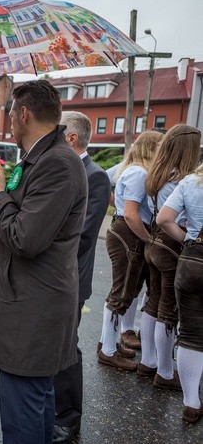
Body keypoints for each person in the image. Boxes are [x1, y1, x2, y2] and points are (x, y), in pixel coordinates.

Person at [0, 80, 87, 443]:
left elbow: (26, 238)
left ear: (22, 114)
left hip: (34, 305)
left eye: (10, 114)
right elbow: (26, 220)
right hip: (29, 300)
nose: (9, 123)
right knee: (37, 403)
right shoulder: (40, 157)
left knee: (24, 411)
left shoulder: (57, 163)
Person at [52, 111, 111, 443]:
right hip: (51, 276)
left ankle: (69, 417)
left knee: (66, 349)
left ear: (71, 137)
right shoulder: (61, 170)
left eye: (56, 131)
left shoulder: (95, 175)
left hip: (70, 277)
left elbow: (84, 235)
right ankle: (53, 407)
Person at [140, 125, 201, 389]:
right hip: (172, 245)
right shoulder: (183, 179)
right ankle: (164, 372)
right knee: (167, 309)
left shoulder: (158, 174)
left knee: (153, 302)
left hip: (154, 241)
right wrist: (185, 239)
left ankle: (148, 361)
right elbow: (172, 219)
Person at [97, 130, 163, 371]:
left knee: (128, 290)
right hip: (129, 233)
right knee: (122, 292)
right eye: (160, 148)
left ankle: (108, 343)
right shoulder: (139, 173)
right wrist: (148, 238)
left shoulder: (134, 170)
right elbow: (132, 214)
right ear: (151, 149)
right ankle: (108, 351)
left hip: (127, 232)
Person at [157, 162, 203, 424]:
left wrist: (187, 239)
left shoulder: (190, 182)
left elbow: (163, 218)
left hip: (193, 259)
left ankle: (191, 404)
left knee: (190, 334)